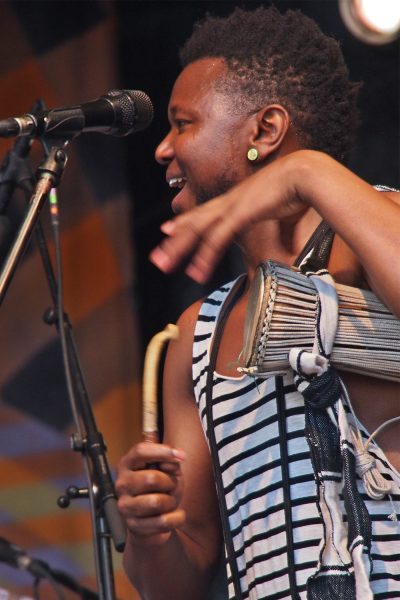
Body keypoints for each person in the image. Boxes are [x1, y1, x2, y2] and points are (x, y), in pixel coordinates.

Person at [116, 6, 400, 600]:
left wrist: (306, 171)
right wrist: (149, 531)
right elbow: (181, 583)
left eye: (182, 124)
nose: (163, 149)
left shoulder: (381, 231)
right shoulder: (197, 334)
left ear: (265, 131)